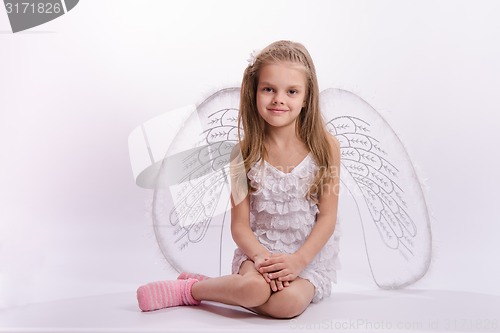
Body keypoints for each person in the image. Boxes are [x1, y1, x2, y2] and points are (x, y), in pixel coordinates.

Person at [136, 40, 341, 319]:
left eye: (292, 91)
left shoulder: (326, 147)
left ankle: (218, 287)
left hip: (305, 258)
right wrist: (260, 258)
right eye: (269, 89)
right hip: (258, 254)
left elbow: (328, 218)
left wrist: (297, 261)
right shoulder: (242, 153)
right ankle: (191, 290)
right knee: (254, 291)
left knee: (286, 306)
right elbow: (240, 226)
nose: (279, 99)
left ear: (306, 97)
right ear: (255, 92)